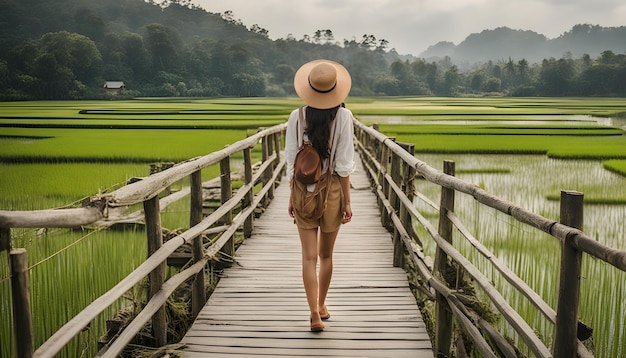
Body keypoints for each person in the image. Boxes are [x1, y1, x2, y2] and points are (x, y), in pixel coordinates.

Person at [285, 59, 355, 332]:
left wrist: (292, 196)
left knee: (308, 257)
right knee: (326, 256)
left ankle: (313, 313)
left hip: (302, 190)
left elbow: (291, 159)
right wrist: (348, 201)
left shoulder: (296, 117)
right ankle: (323, 305)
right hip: (333, 192)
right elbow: (344, 164)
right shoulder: (345, 117)